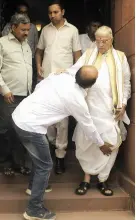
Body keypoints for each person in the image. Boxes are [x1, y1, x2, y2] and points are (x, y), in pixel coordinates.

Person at [12, 65, 111, 220]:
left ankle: (33, 187)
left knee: (38, 159)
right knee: (45, 165)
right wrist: (101, 144)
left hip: (19, 115)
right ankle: (34, 209)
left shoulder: (61, 77)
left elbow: (39, 85)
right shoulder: (77, 101)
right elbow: (88, 127)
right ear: (91, 85)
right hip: (31, 127)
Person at [66, 26, 131, 196]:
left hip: (110, 107)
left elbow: (126, 83)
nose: (100, 43)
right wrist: (61, 72)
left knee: (109, 140)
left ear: (111, 39)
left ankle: (103, 179)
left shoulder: (120, 57)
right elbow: (74, 72)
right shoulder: (88, 54)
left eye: (104, 40)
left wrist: (123, 103)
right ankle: (86, 178)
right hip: (88, 106)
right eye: (98, 40)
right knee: (86, 140)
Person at [36, 0, 81, 174]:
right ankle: (52, 148)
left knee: (62, 120)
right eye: (50, 13)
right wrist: (39, 66)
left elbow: (78, 56)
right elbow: (39, 51)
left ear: (62, 12)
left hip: (64, 81)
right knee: (47, 117)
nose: (52, 15)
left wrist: (74, 77)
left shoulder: (73, 30)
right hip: (47, 80)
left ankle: (60, 156)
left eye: (55, 12)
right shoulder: (45, 30)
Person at [0, 13, 32, 176]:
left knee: (21, 130)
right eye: (23, 30)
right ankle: (5, 164)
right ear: (13, 27)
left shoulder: (26, 45)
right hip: (9, 95)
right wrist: (4, 90)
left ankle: (19, 163)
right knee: (6, 130)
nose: (26, 33)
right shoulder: (2, 43)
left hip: (25, 96)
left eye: (28, 29)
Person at [2, 1, 38, 90]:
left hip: (30, 60)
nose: (26, 33)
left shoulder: (32, 28)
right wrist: (4, 90)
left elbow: (36, 45)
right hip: (9, 91)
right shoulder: (5, 34)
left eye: (25, 12)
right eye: (21, 12)